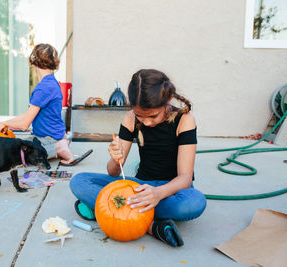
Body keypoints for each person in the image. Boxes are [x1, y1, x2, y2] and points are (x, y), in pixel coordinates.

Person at [69, 69, 206, 247]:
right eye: (141, 116)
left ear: (167, 100)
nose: (147, 122)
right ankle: (150, 226)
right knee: (79, 181)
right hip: (138, 187)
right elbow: (113, 172)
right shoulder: (130, 118)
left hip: (172, 189)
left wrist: (157, 194)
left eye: (153, 116)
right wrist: (115, 158)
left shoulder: (184, 119)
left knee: (194, 203)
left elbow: (185, 178)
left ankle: (113, 212)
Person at [0, 43, 92, 166]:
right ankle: (61, 143)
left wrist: (5, 123)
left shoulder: (43, 89)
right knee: (17, 144)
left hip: (48, 139)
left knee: (13, 153)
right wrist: (6, 123)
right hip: (52, 135)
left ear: (33, 62)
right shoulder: (52, 83)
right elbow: (28, 116)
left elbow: (24, 124)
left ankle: (58, 148)